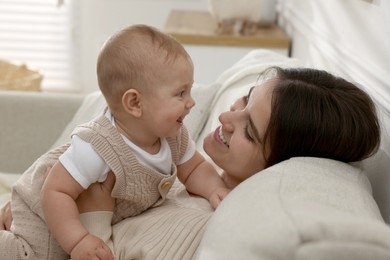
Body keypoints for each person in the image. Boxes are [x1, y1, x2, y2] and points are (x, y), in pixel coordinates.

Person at [1, 66, 381, 259]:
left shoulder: (196, 224)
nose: (226, 119)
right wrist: (29, 201)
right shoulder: (195, 175)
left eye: (250, 131)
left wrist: (92, 213)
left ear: (278, 163)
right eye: (245, 100)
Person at [0, 24, 229, 260]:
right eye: (181, 93)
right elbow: (55, 190)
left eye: (190, 91)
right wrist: (79, 240)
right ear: (135, 103)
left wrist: (214, 188)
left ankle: (9, 217)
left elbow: (194, 169)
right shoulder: (96, 148)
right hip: (45, 217)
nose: (191, 102)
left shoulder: (173, 136)